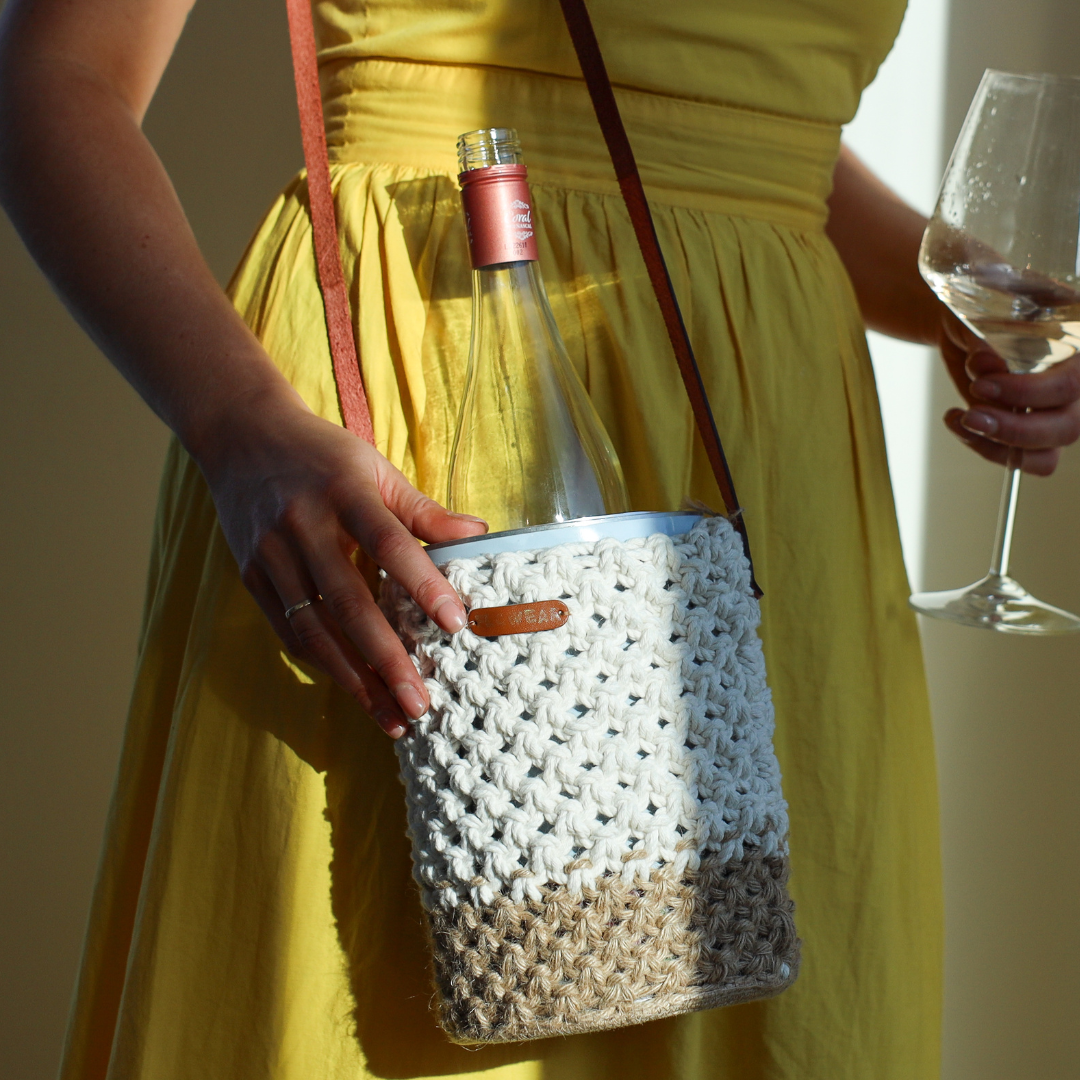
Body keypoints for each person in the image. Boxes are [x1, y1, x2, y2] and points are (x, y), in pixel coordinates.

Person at [1, 1, 1078, 1078]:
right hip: (400, 418)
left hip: (763, 466)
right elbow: (56, 72)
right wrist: (239, 426)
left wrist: (961, 294)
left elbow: (734, 121)